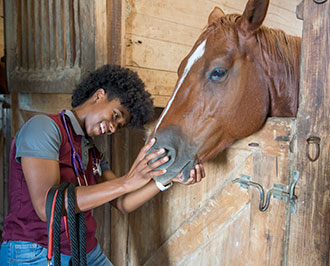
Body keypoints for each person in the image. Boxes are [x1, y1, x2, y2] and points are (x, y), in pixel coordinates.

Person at [0, 65, 205, 265]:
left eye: (119, 126)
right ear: (99, 95)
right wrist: (127, 181)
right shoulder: (43, 128)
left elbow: (123, 202)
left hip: (83, 249)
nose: (113, 128)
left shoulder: (93, 153)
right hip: (34, 250)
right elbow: (47, 208)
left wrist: (166, 179)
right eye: (116, 115)